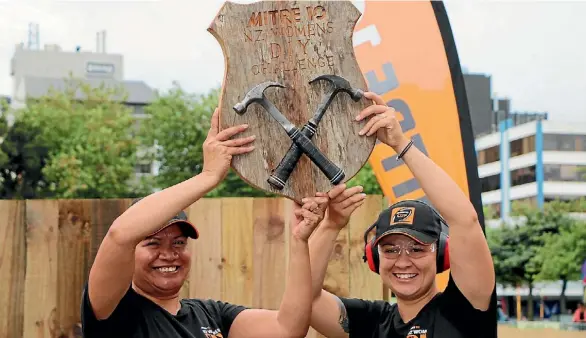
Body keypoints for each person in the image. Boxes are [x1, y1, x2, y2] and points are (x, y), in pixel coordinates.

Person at [81, 108, 329, 338]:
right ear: (129, 255)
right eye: (153, 243)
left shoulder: (211, 315)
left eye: (178, 242)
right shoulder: (115, 312)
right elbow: (120, 234)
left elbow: (287, 329)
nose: (168, 254)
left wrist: (300, 239)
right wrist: (209, 176)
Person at [306, 91, 498, 337]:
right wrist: (330, 225)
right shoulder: (371, 322)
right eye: (391, 250)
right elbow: (305, 300)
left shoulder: (464, 309)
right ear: (374, 258)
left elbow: (464, 221)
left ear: (441, 254)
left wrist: (401, 144)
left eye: (416, 249)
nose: (403, 260)